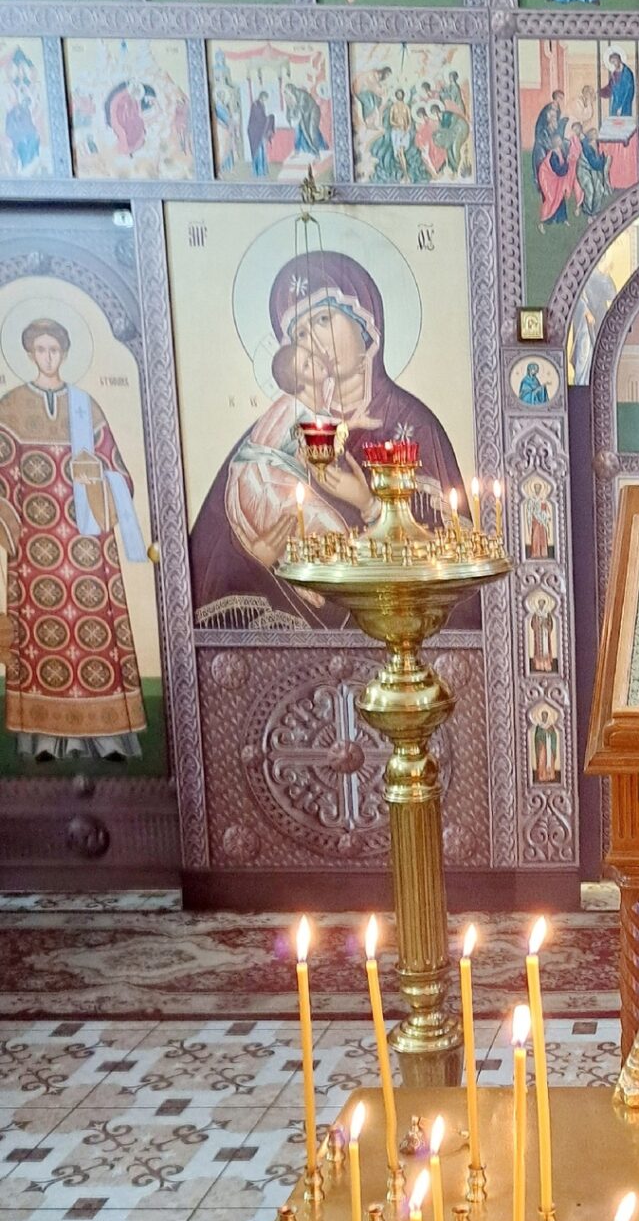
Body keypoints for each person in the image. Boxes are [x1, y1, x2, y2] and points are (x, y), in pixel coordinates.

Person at [188, 248, 467, 627]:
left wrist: (368, 504)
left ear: (365, 321)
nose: (314, 343)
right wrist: (256, 555)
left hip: (394, 624)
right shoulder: (279, 431)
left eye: (322, 319)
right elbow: (212, 554)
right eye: (300, 334)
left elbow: (456, 556)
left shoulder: (413, 424)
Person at [0, 317, 149, 759]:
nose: (47, 357)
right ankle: (45, 736)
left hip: (86, 543)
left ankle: (105, 736)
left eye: (54, 349)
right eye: (40, 349)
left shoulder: (86, 407)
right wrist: (11, 519)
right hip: (35, 547)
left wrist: (98, 480)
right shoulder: (11, 407)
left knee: (94, 634)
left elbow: (118, 470)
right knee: (42, 634)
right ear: (30, 354)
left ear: (63, 353)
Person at [532, 90, 580, 226]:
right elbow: (543, 135)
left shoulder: (556, 112)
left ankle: (560, 217)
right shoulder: (549, 112)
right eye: (561, 98)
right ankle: (548, 218)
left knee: (558, 190)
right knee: (548, 191)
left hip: (553, 158)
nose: (554, 120)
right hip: (543, 154)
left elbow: (557, 133)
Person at [246, 90, 273, 177]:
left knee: (262, 150)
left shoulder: (261, 105)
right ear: (261, 97)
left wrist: (269, 118)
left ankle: (262, 171)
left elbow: (263, 118)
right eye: (264, 98)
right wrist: (268, 118)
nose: (265, 100)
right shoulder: (255, 105)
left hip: (260, 131)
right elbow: (259, 118)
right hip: (255, 131)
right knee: (258, 151)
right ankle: (258, 171)